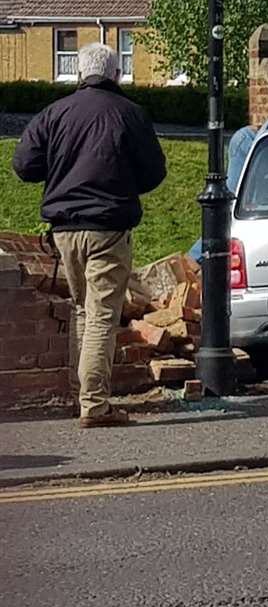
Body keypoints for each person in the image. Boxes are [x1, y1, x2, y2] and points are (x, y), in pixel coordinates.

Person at [13, 43, 167, 427]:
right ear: (115, 75)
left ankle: (79, 393)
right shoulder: (130, 114)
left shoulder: (54, 113)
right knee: (101, 315)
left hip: (64, 230)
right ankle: (95, 405)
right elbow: (154, 172)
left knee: (82, 309)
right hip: (108, 227)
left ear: (81, 74)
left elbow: (24, 166)